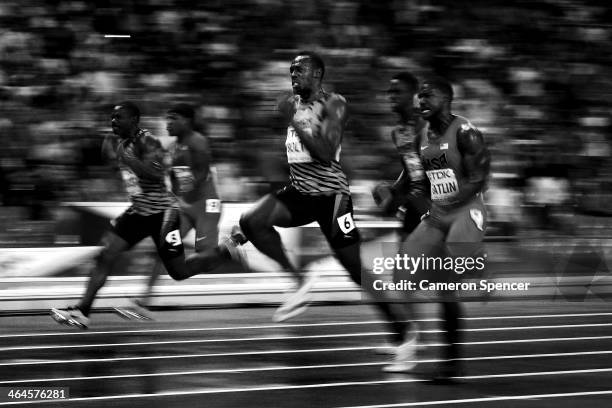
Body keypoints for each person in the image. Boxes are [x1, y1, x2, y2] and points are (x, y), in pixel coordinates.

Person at [232, 52, 409, 345]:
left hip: (331, 197)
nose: (293, 76)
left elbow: (326, 152)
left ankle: (401, 330)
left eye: (299, 70)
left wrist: (293, 122)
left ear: (316, 74)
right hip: (300, 191)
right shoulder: (291, 103)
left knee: (355, 271)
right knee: (251, 221)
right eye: (290, 71)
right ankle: (299, 282)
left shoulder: (335, 103)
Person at [50, 102, 202, 328]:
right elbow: (109, 159)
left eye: (118, 118)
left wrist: (129, 158)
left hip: (163, 214)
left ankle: (225, 251)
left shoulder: (148, 141)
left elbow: (156, 172)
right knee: (105, 255)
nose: (113, 121)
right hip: (138, 211)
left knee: (179, 271)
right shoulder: (119, 140)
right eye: (112, 117)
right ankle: (83, 310)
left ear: (133, 120)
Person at [385, 76, 491, 381]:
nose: (421, 102)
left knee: (448, 282)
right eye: (419, 97)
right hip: (438, 214)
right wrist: (395, 194)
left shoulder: (466, 132)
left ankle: (452, 362)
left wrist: (449, 201)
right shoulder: (423, 137)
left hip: (466, 211)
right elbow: (415, 177)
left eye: (427, 96)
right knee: (401, 276)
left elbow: (479, 179)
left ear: (446, 99)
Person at [114, 103, 245, 320]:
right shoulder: (174, 146)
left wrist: (178, 189)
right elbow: (173, 178)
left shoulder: (197, 141)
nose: (168, 123)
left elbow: (202, 175)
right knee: (163, 250)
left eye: (173, 119)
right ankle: (143, 302)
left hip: (206, 206)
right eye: (167, 119)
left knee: (204, 257)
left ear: (187, 121)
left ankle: (233, 244)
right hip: (185, 206)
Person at [372, 72, 430, 364]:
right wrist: (391, 191)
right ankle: (411, 338)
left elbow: (437, 172)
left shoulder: (427, 128)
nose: (390, 97)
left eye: (397, 92)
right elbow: (411, 170)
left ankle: (410, 343)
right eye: (389, 92)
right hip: (413, 206)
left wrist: (403, 199)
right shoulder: (399, 132)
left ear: (412, 96)